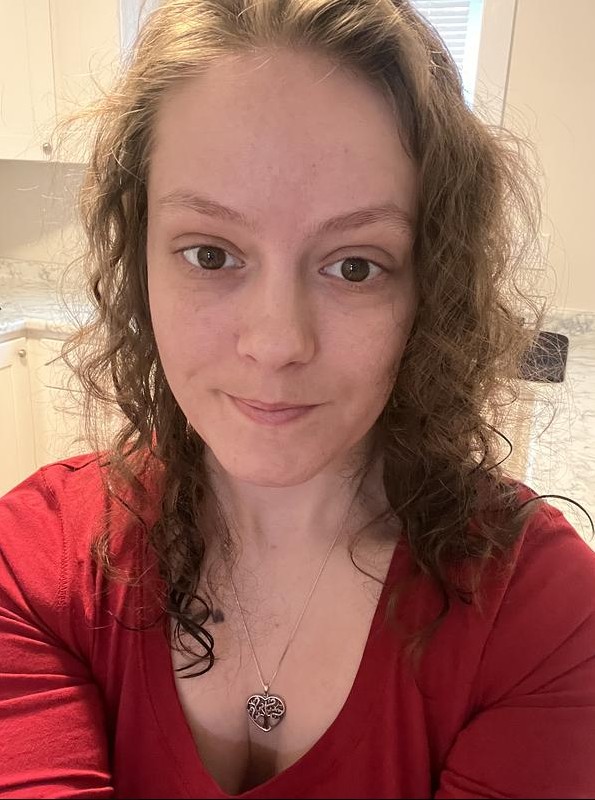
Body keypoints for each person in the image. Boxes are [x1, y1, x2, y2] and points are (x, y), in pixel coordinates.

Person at [1, 0, 594, 797]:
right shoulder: (33, 568)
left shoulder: (541, 614)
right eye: (210, 254)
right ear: (138, 261)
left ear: (429, 287)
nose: (277, 342)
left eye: (354, 266)